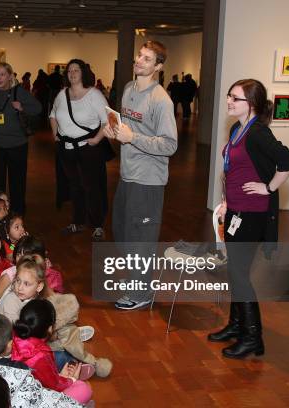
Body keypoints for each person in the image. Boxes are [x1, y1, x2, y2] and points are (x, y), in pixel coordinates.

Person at [208, 78, 289, 359]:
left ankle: (253, 337)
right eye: (229, 96)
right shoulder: (238, 128)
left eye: (236, 98)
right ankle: (236, 325)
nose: (229, 102)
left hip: (253, 213)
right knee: (236, 271)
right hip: (236, 209)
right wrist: (226, 201)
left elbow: (288, 161)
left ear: (253, 104)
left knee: (239, 274)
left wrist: (268, 187)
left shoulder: (257, 132)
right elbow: (233, 169)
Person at [103, 40, 178, 310]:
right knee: (122, 231)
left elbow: (169, 144)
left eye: (147, 59)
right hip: (128, 174)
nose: (138, 61)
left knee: (141, 238)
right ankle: (137, 279)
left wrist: (132, 137)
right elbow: (126, 128)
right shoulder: (128, 88)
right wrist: (115, 131)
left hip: (148, 180)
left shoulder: (161, 101)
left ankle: (142, 292)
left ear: (158, 66)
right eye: (139, 56)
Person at [50, 59, 110, 240]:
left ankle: (98, 225)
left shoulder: (94, 94)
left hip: (88, 148)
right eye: (69, 71)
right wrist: (56, 135)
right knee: (74, 186)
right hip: (67, 148)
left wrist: (97, 139)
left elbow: (108, 120)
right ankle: (77, 222)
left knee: (92, 187)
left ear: (83, 73)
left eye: (76, 70)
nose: (73, 73)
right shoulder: (62, 94)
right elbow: (53, 115)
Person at [0, 62, 41, 215]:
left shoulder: (19, 92)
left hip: (17, 145)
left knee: (17, 181)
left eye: (3, 74)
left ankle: (17, 212)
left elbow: (38, 108)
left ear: (10, 76)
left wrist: (22, 107)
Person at [11, 299, 93, 405]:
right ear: (50, 328)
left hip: (23, 385)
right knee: (84, 389)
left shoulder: (12, 335)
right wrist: (71, 379)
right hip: (34, 397)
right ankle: (76, 390)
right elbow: (54, 386)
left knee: (62, 356)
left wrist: (59, 376)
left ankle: (71, 369)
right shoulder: (40, 357)